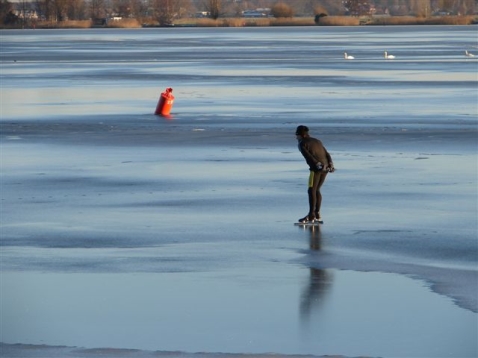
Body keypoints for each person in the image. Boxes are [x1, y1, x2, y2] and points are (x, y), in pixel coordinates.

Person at [295, 125, 334, 224]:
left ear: (302, 135)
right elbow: (327, 154)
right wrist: (330, 164)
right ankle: (317, 214)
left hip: (315, 170)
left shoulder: (302, 143)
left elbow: (308, 157)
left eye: (297, 135)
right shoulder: (317, 141)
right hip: (325, 168)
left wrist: (317, 164)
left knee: (311, 190)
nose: (296, 137)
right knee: (317, 190)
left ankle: (311, 215)